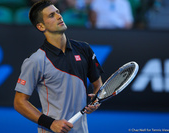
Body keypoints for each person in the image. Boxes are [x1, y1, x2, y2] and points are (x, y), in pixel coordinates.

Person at [13, 0, 104, 133]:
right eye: (51, 15)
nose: (59, 16)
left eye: (58, 12)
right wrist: (51, 123)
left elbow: (98, 86)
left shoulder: (84, 49)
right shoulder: (36, 60)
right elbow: (19, 102)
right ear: (41, 26)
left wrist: (96, 102)